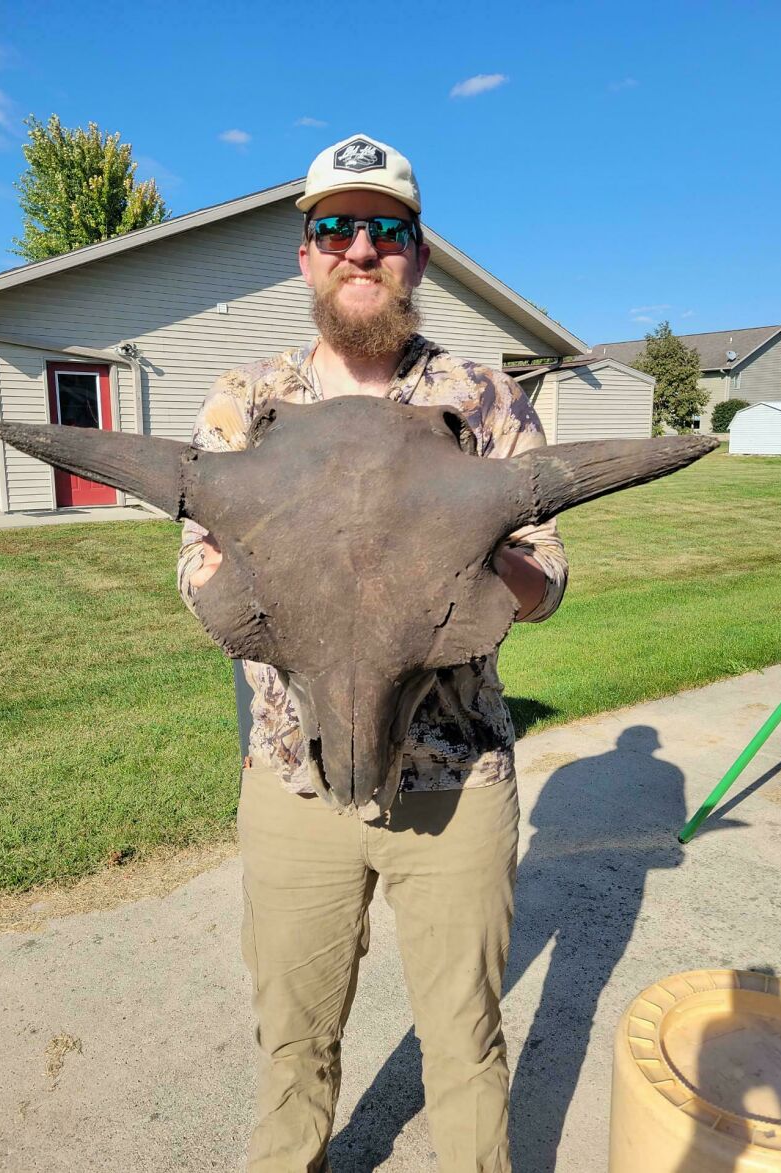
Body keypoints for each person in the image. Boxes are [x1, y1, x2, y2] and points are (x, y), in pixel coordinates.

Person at [177, 133, 568, 1172]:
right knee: (291, 1039)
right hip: (289, 780)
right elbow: (195, 563)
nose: (362, 249)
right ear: (305, 253)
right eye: (336, 228)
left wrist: (471, 551)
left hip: (456, 783)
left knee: (466, 1043)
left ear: (418, 255)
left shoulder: (483, 397)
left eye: (386, 230)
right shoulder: (246, 397)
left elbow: (547, 579)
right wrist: (241, 572)